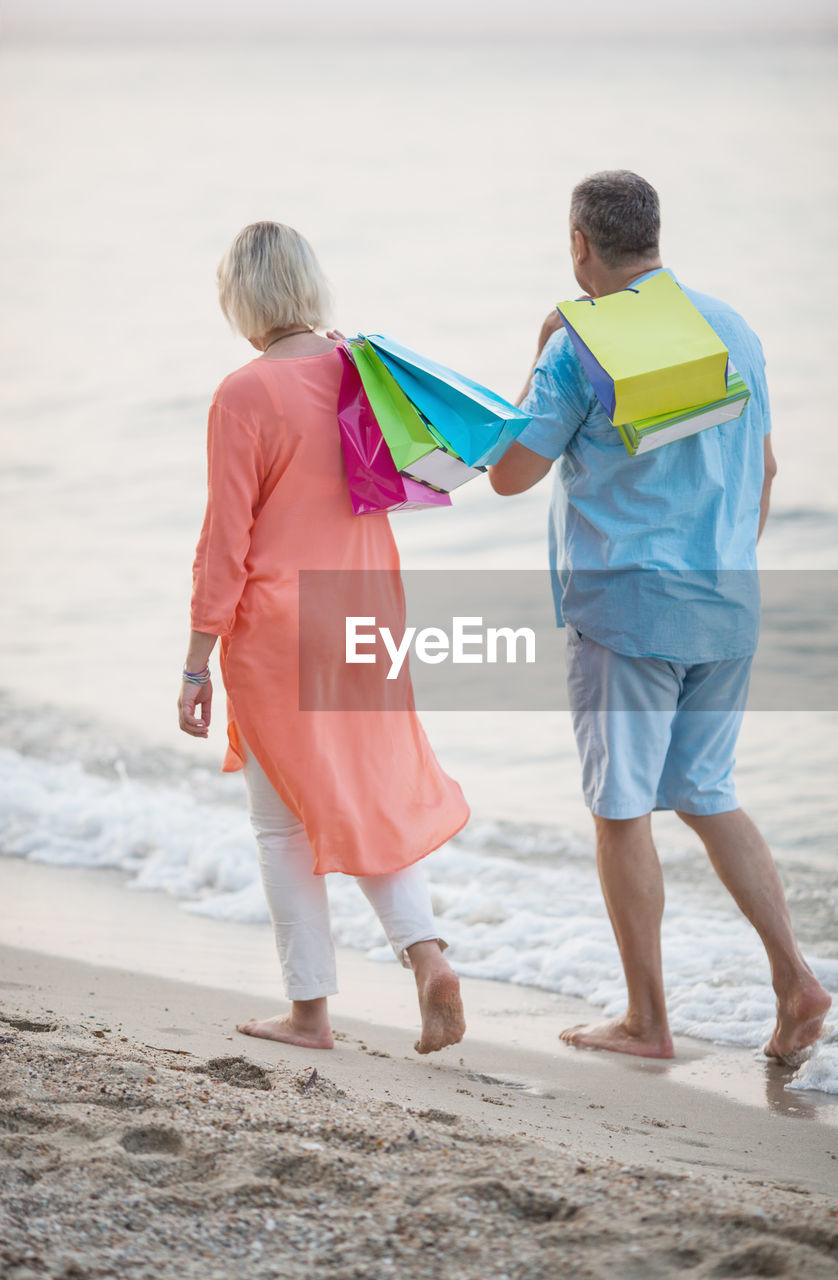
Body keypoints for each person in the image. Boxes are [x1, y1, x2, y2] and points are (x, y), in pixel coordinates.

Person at [490, 171, 831, 1064]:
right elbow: (763, 471)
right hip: (727, 604)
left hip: (629, 611)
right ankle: (795, 977)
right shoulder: (732, 328)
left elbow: (509, 474)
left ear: (579, 245)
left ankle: (647, 1021)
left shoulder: (576, 347)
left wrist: (539, 353)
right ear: (653, 236)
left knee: (620, 809)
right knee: (707, 794)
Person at [178, 221, 469, 1054]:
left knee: (284, 825)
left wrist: (196, 663)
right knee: (362, 793)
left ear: (242, 298)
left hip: (280, 629)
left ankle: (309, 1014)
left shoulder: (243, 393)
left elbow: (224, 541)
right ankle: (425, 957)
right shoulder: (359, 368)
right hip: (368, 610)